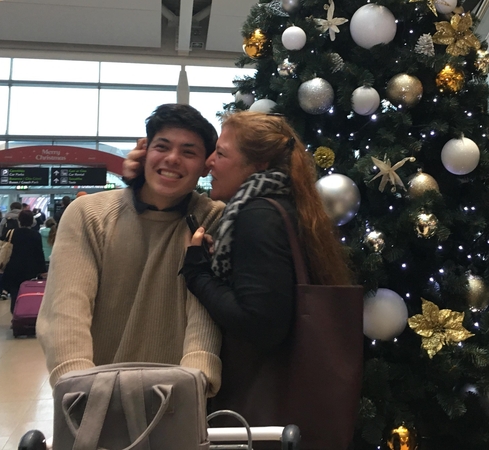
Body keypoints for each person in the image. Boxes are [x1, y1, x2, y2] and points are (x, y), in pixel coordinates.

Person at [124, 111, 353, 440]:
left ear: (257, 165)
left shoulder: (256, 215)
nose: (210, 163)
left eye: (221, 153)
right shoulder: (283, 203)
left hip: (260, 403)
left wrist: (197, 272)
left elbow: (260, 324)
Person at [37, 104, 225, 395]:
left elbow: (204, 317)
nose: (173, 159)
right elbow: (66, 312)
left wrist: (195, 382)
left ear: (204, 166)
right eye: (162, 147)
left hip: (180, 399)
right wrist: (79, 387)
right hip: (94, 396)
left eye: (189, 152)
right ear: (144, 150)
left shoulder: (211, 218)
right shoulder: (89, 215)